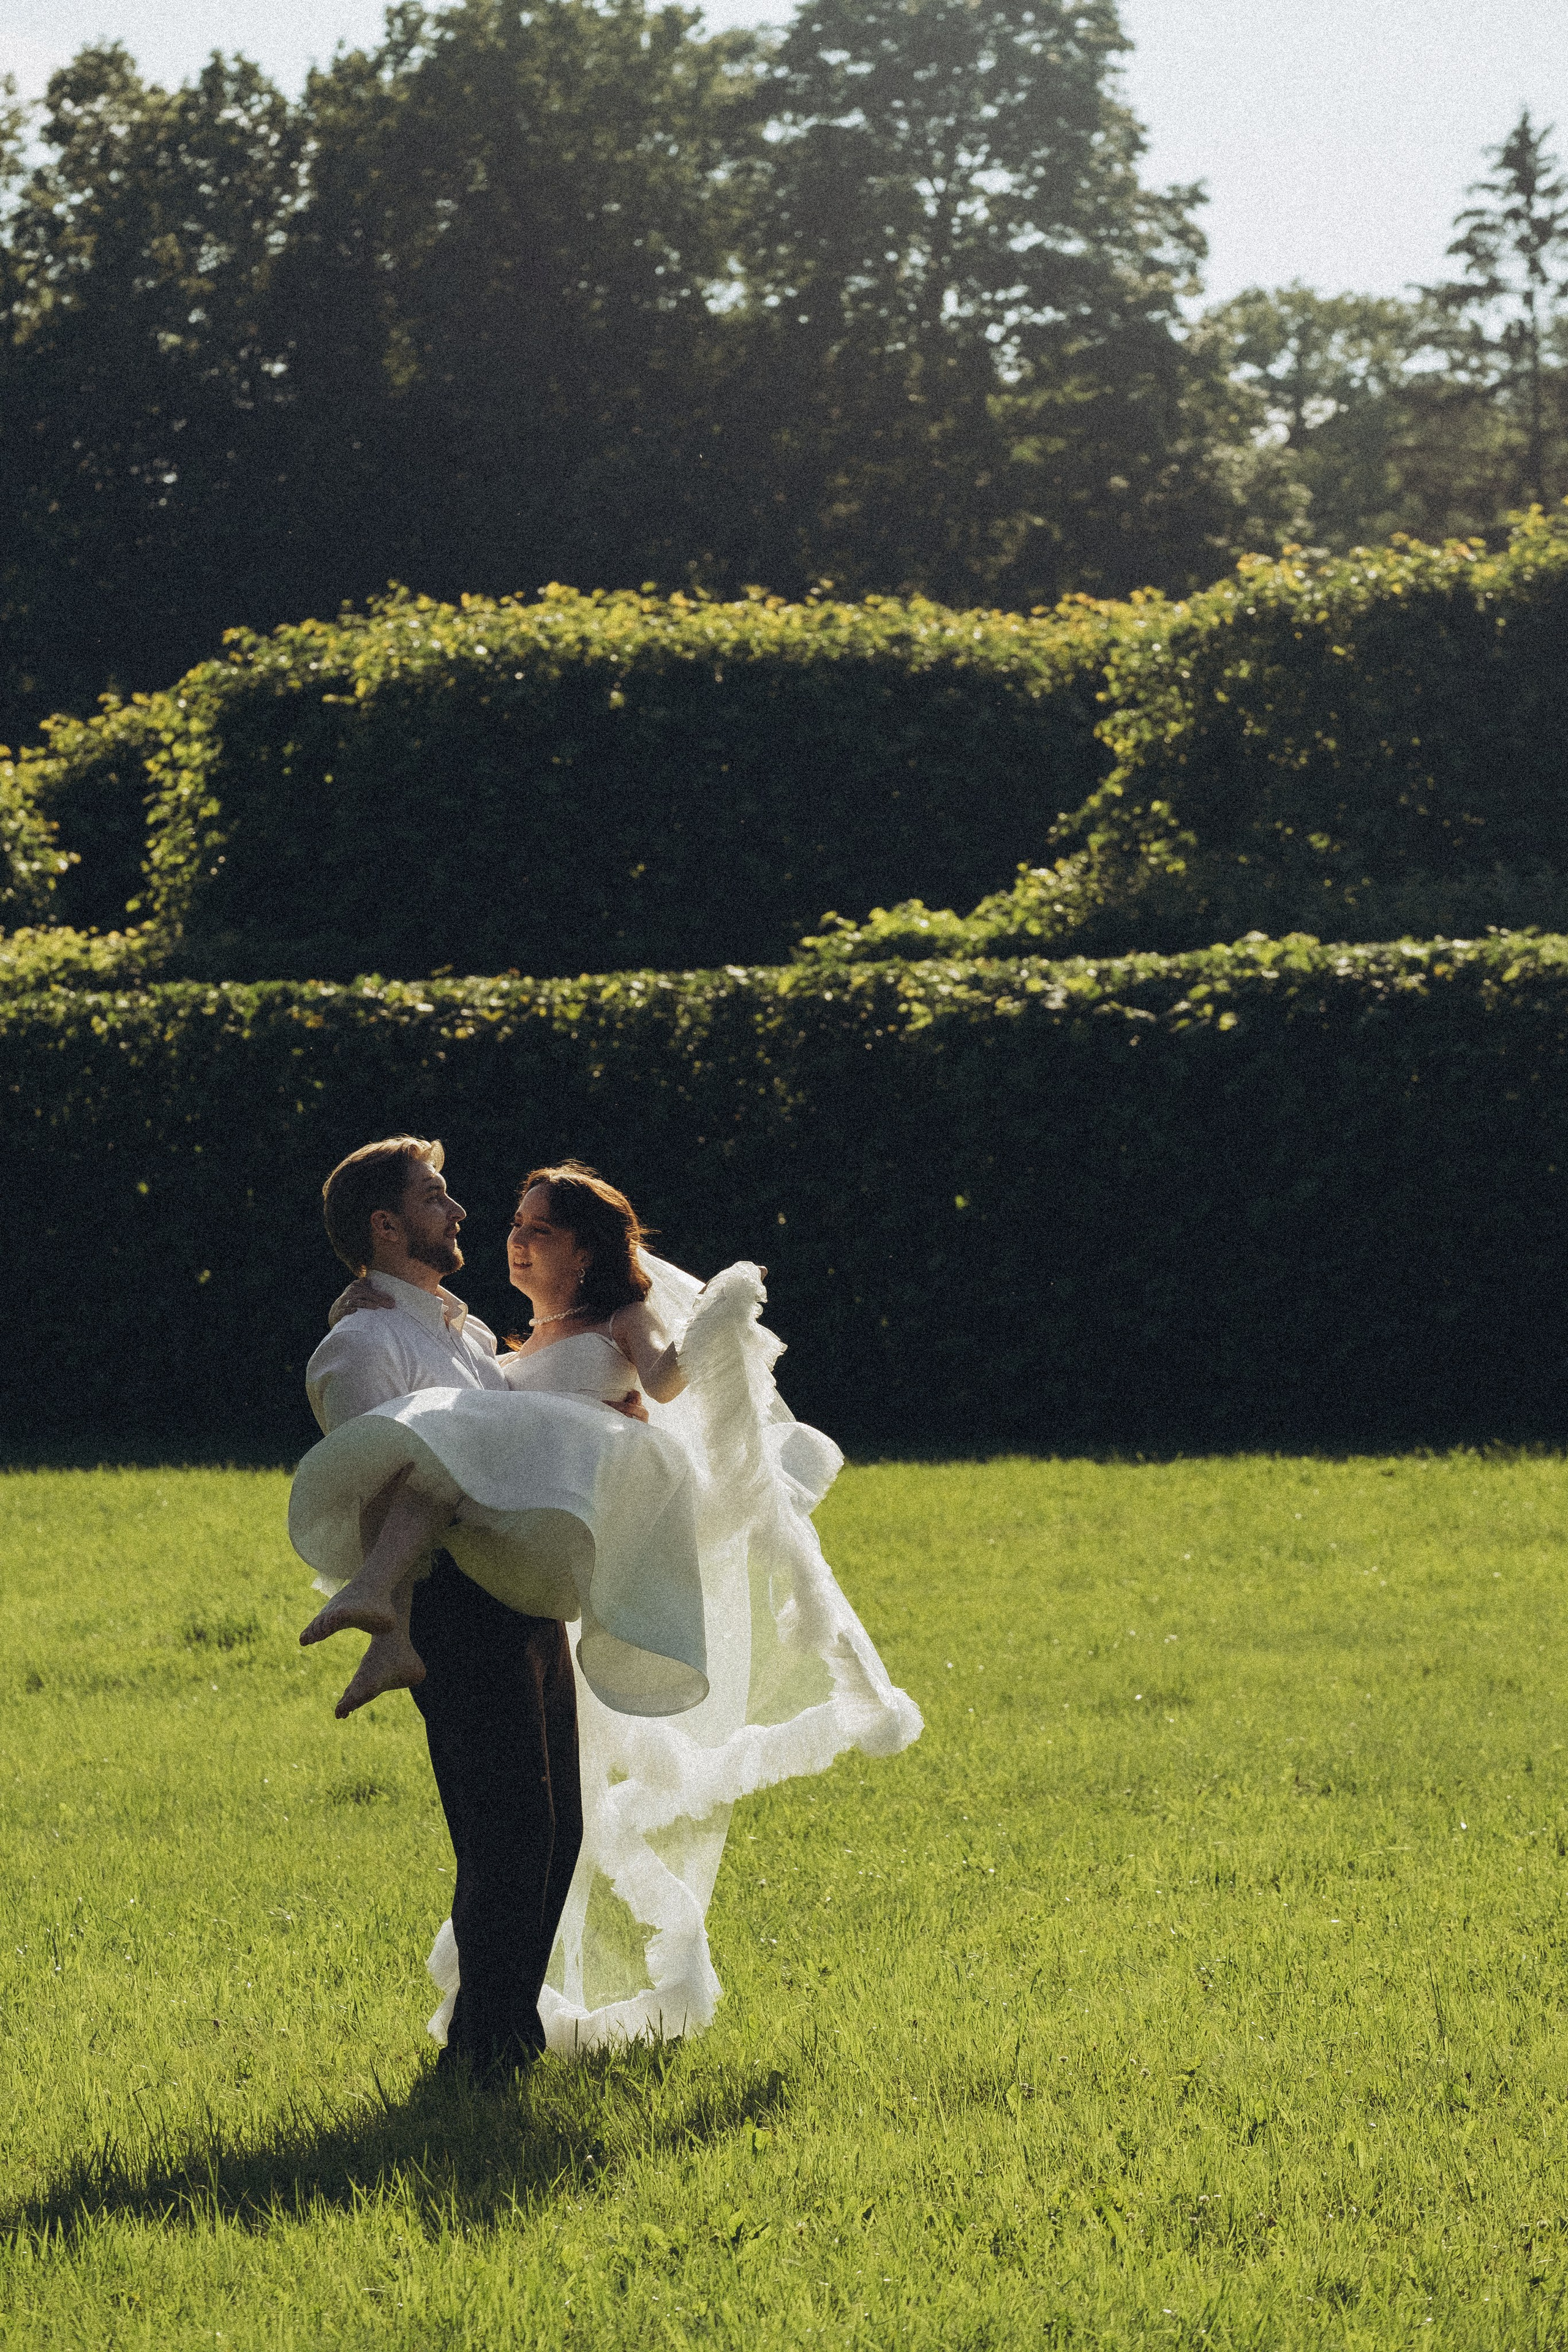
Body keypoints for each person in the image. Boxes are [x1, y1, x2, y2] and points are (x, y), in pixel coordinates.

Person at [291, 1143, 922, 2068]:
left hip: (532, 1593)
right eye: (437, 1198)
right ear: (386, 1227)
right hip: (455, 1599)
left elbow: (574, 1414)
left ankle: (508, 2035)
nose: (464, 1214)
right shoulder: (363, 1342)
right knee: (506, 1827)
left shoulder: (467, 1336)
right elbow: (373, 1466)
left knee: (559, 1826)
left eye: (525, 1224)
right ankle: (485, 2052)